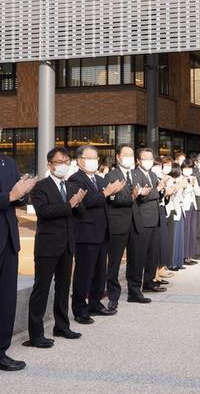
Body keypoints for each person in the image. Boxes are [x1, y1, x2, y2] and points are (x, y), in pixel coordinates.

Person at [26, 148, 86, 347]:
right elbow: (44, 212)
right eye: (59, 161)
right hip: (48, 245)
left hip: (67, 244)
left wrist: (79, 201)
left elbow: (80, 213)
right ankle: (35, 334)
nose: (64, 165)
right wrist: (70, 205)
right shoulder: (40, 187)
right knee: (41, 289)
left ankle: (62, 326)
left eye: (66, 161)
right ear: (49, 165)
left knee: (63, 287)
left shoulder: (71, 185)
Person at [69, 145, 124, 324]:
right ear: (79, 160)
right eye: (89, 158)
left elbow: (105, 200)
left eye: (96, 157)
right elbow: (86, 201)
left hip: (102, 231)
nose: (94, 161)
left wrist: (112, 193)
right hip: (86, 233)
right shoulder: (75, 179)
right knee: (84, 272)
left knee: (100, 271)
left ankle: (95, 303)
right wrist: (107, 192)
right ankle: (79, 309)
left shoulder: (99, 180)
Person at [0, 153, 37, 370]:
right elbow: (10, 196)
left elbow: (18, 199)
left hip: (9, 240)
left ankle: (2, 351)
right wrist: (10, 196)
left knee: (6, 301)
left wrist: (23, 192)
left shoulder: (8, 161)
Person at [104, 144, 144, 311]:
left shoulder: (136, 173)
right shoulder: (111, 175)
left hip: (136, 221)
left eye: (131, 154)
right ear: (118, 157)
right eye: (125, 154)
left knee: (136, 259)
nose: (129, 157)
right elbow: (114, 199)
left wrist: (142, 194)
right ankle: (113, 296)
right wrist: (133, 196)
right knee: (114, 261)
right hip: (118, 223)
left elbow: (141, 197)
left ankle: (135, 292)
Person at [130, 147, 167, 297]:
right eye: (145, 159)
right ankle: (136, 286)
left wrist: (163, 190)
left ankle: (149, 281)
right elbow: (141, 196)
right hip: (143, 219)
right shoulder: (135, 174)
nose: (148, 161)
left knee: (153, 253)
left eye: (150, 158)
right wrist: (158, 189)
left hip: (155, 218)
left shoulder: (152, 173)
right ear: (138, 160)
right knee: (140, 255)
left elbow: (158, 193)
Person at [181, 159, 200, 265]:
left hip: (193, 206)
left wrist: (193, 185)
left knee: (192, 231)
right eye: (185, 168)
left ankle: (189, 255)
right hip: (184, 207)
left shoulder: (194, 178)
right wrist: (189, 187)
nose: (187, 170)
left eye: (189, 168)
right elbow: (182, 193)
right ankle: (183, 256)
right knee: (186, 231)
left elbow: (198, 193)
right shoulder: (180, 178)